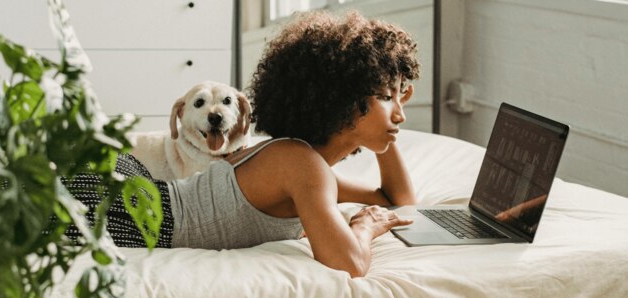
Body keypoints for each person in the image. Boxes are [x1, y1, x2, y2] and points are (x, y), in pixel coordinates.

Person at [67, 10, 421, 278]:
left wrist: (387, 126)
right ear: (342, 99)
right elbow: (351, 263)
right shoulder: (302, 166)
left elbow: (398, 202)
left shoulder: (303, 164)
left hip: (136, 194)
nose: (400, 114)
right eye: (386, 97)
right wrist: (365, 225)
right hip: (128, 210)